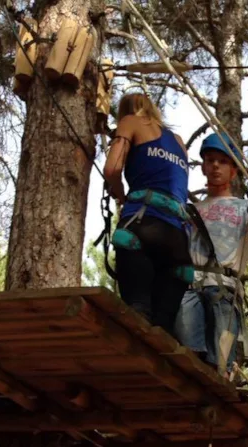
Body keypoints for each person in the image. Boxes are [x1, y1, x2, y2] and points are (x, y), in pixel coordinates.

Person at [174, 131, 248, 376]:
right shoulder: (190, 210)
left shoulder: (243, 207)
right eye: (210, 160)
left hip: (224, 289)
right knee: (187, 358)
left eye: (223, 161)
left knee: (220, 366)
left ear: (234, 171)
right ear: (203, 167)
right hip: (190, 288)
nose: (216, 165)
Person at [103, 93, 191, 334]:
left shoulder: (130, 121)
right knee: (162, 328)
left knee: (138, 313)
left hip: (143, 225)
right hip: (179, 241)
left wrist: (119, 192)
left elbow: (112, 168)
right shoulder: (179, 141)